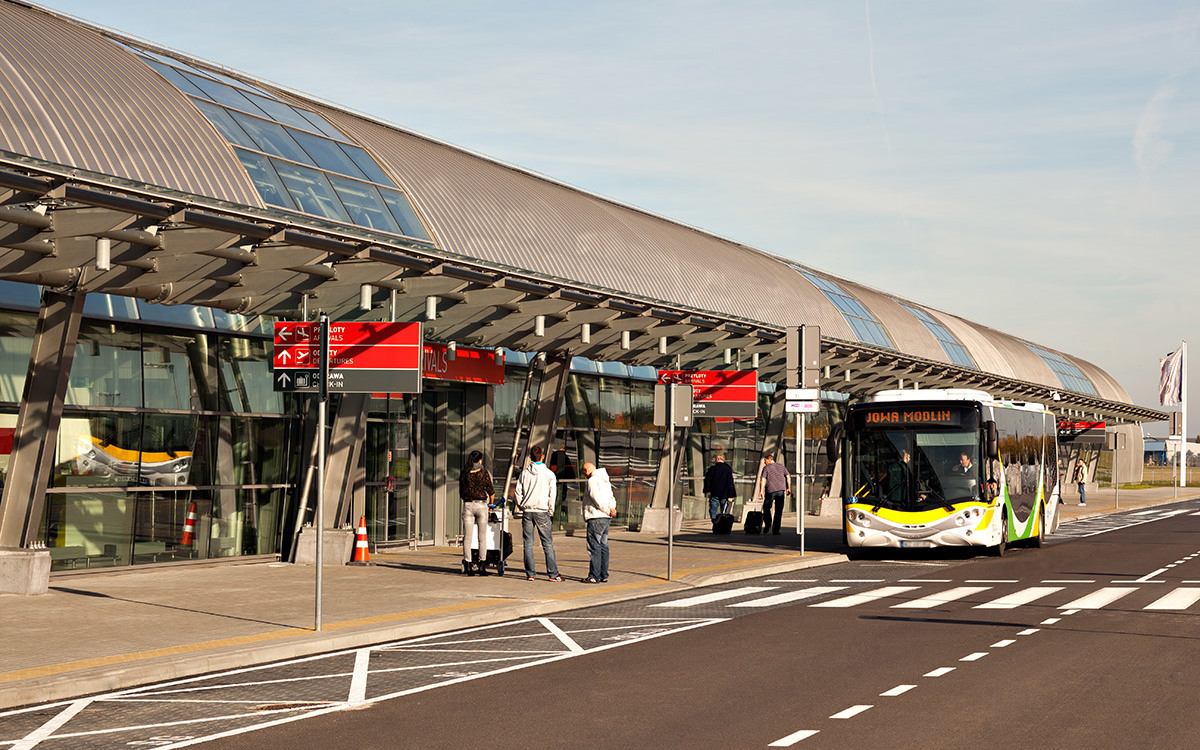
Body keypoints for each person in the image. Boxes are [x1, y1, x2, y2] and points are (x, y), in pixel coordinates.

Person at [513, 444, 562, 581]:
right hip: (542, 510)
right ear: (543, 456)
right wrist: (551, 509)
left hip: (528, 511)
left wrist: (522, 505)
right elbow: (553, 494)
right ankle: (552, 574)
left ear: (530, 458)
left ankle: (530, 573)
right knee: (547, 543)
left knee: (528, 543)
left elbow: (518, 493)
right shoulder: (549, 474)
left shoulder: (524, 473)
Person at [459, 450, 494, 576]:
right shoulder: (483, 473)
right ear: (480, 460)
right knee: (482, 538)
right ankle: (482, 565)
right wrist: (490, 505)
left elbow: (461, 492)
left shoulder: (465, 473)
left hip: (468, 505)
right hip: (481, 505)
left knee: (467, 537)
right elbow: (491, 490)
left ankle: (467, 564)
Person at [581, 461, 617, 583]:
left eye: (583, 472)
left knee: (594, 546)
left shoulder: (592, 480)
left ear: (587, 471)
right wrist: (612, 509)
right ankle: (604, 574)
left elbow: (596, 498)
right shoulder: (605, 480)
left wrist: (606, 510)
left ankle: (594, 576)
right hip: (606, 518)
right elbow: (611, 497)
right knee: (603, 546)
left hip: (596, 516)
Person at [756, 454, 791, 535]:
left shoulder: (766, 468)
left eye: (765, 461)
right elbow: (788, 476)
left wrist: (761, 491)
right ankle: (776, 530)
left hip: (770, 491)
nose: (765, 463)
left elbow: (763, 479)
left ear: (769, 459)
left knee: (766, 508)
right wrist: (789, 488)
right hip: (780, 491)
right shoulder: (781, 466)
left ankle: (768, 524)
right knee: (778, 511)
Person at [702, 454, 737, 521]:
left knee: (713, 509)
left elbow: (707, 481)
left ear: (718, 459)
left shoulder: (712, 469)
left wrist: (707, 490)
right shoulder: (728, 469)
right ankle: (723, 524)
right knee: (724, 510)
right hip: (725, 493)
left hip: (714, 492)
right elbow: (730, 482)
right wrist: (731, 495)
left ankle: (714, 522)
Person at [547, 443, 575, 523]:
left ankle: (553, 515)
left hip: (554, 480)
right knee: (559, 499)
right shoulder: (563, 456)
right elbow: (569, 469)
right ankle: (556, 517)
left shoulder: (552, 455)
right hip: (561, 480)